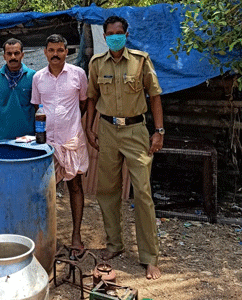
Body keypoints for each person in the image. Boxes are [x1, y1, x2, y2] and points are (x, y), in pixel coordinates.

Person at [85, 16, 164, 280]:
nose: (115, 36)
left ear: (126, 35)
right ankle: (114, 245)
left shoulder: (141, 60)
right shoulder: (96, 63)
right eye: (110, 33)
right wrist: (88, 128)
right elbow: (92, 97)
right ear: (105, 36)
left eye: (119, 32)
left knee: (142, 192)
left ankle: (150, 257)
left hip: (136, 131)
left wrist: (159, 131)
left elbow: (155, 95)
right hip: (107, 130)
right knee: (108, 190)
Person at [31, 34, 89, 260]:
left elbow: (83, 102)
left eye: (60, 50)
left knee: (75, 186)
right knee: (47, 192)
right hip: (47, 144)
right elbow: (37, 107)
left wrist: (70, 123)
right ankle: (48, 239)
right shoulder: (38, 77)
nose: (55, 54)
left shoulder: (78, 75)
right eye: (51, 50)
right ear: (45, 52)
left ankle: (76, 236)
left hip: (71, 140)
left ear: (67, 52)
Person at [0, 38, 37, 141]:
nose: (13, 57)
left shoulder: (33, 76)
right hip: (4, 138)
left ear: (22, 55)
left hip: (29, 138)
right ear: (4, 56)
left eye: (16, 53)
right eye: (9, 54)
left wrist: (40, 133)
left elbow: (38, 107)